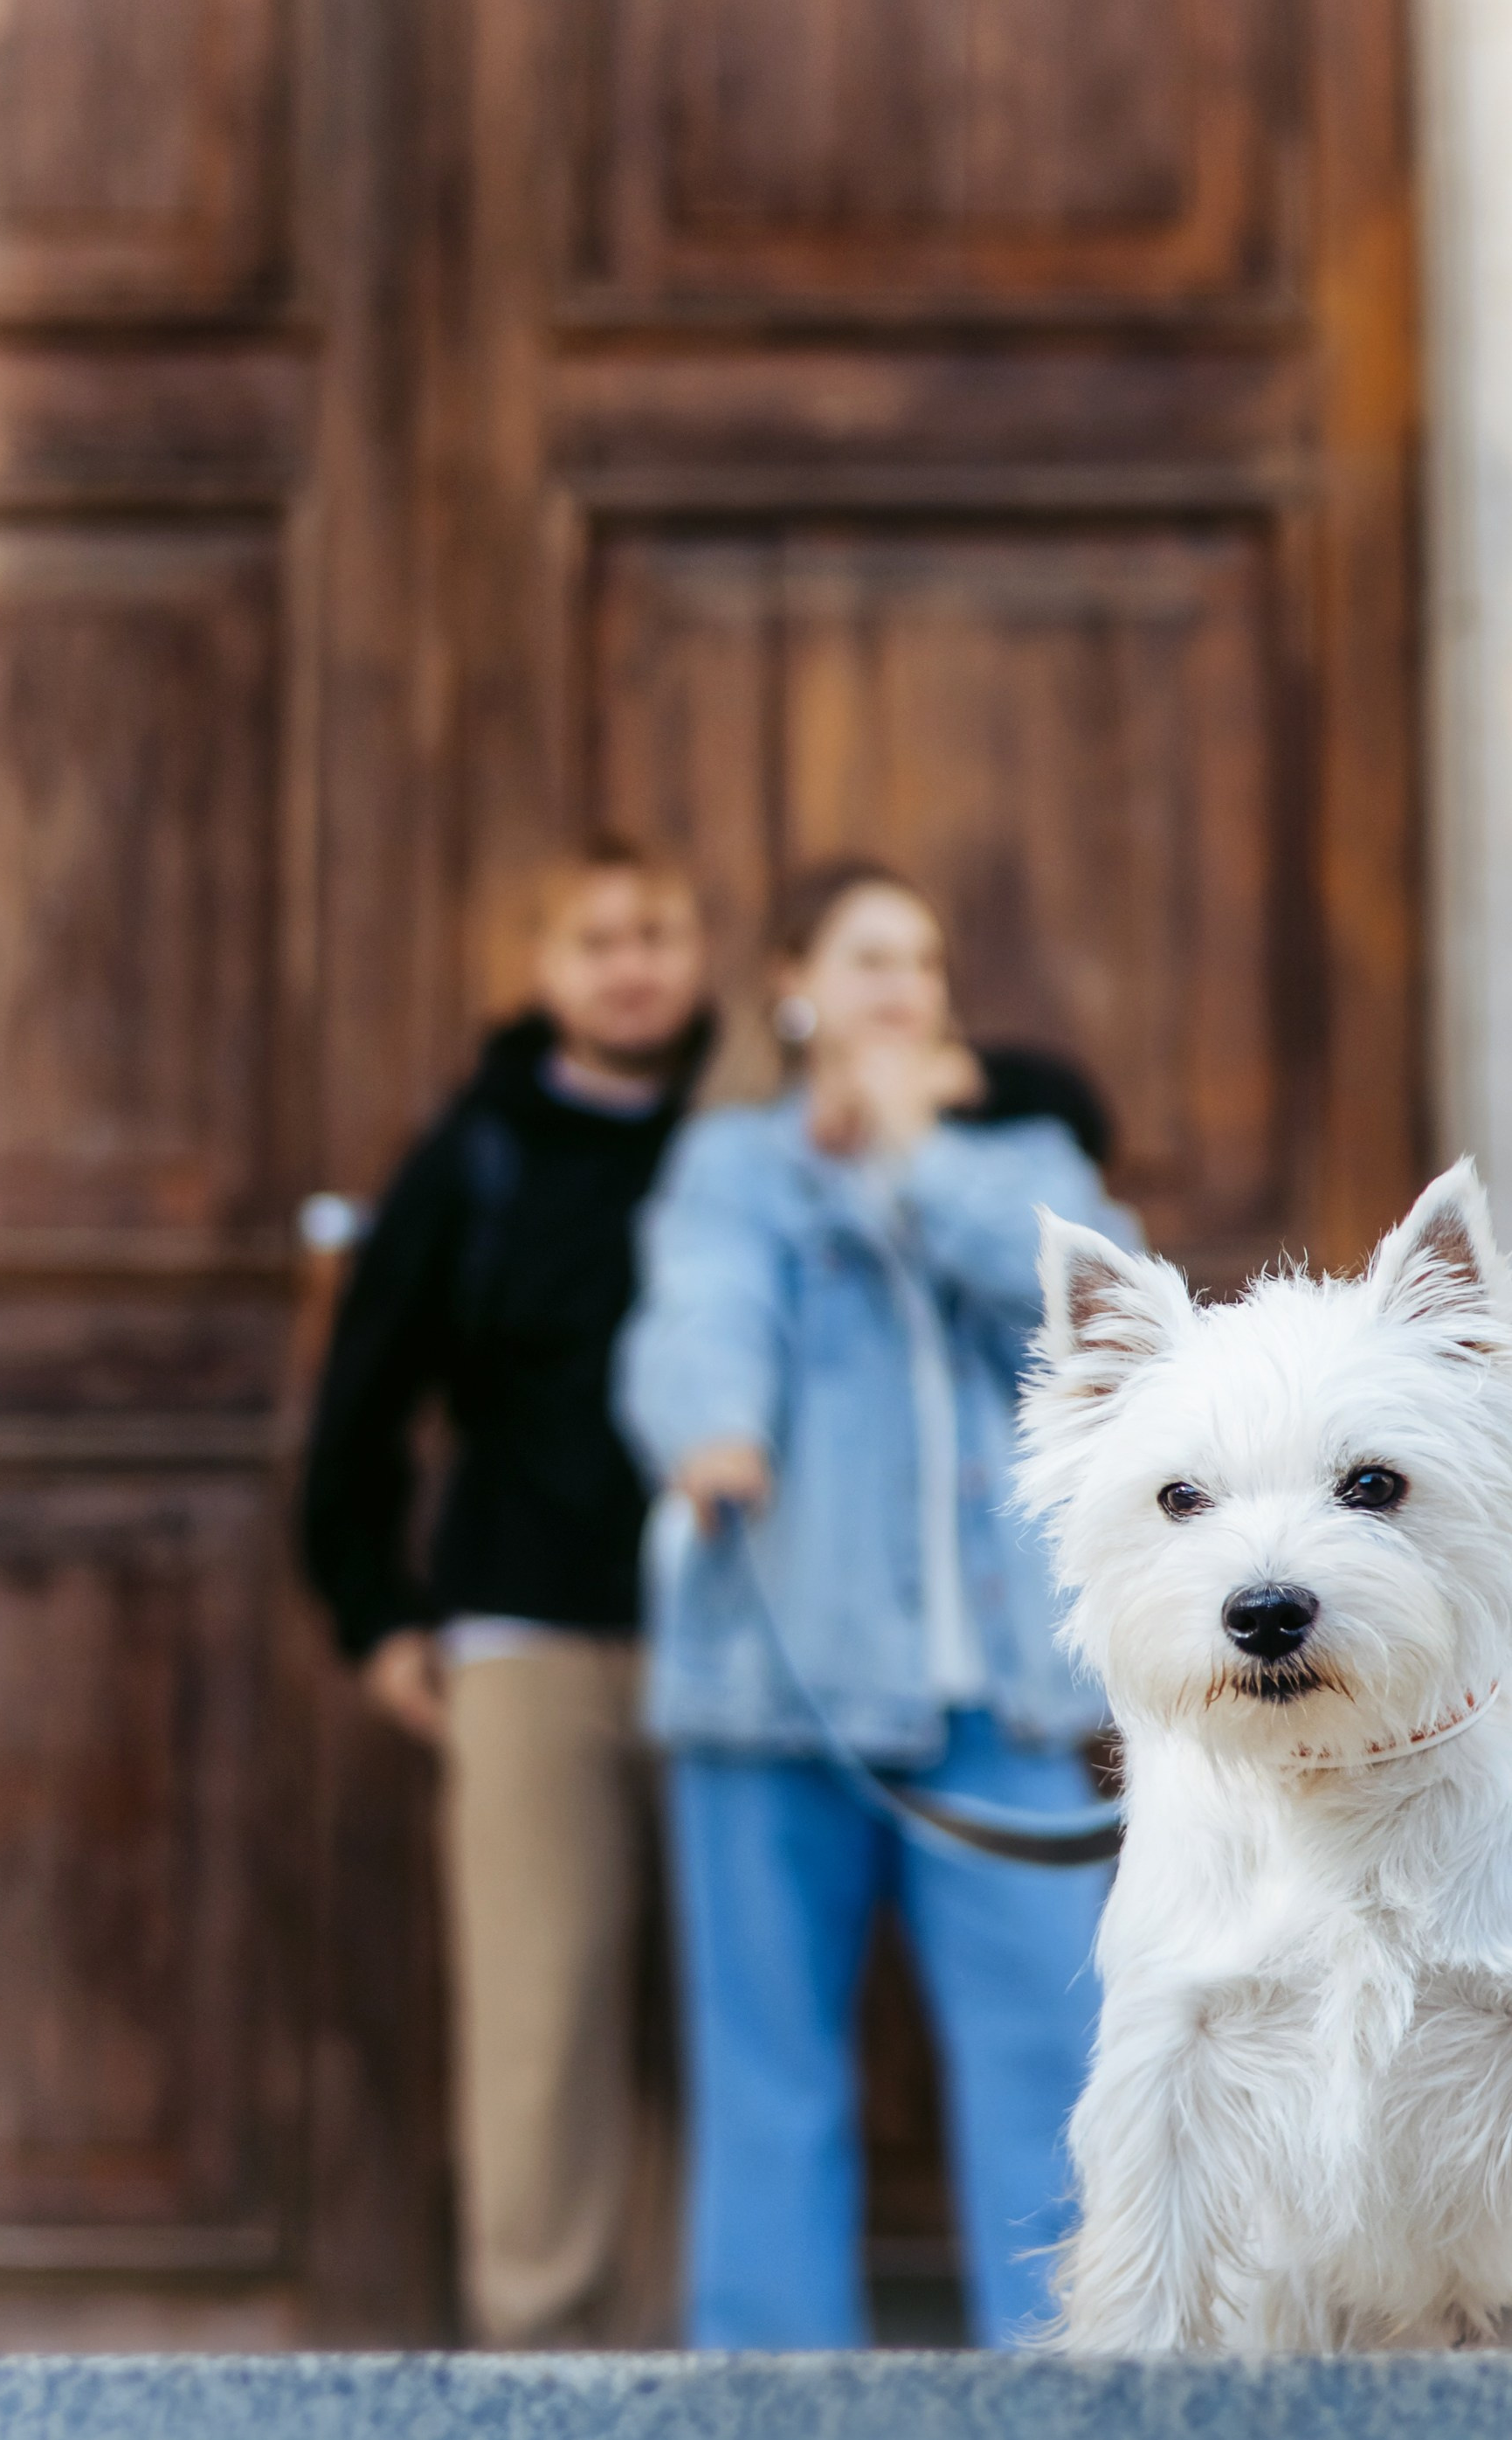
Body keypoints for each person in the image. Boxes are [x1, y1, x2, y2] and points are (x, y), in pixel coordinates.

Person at [615, 859, 1140, 2349]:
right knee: (767, 2069)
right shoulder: (734, 1166)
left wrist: (922, 1150)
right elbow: (696, 1310)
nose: (903, 986)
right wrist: (715, 1425)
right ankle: (775, 2423)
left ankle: (1067, 2399)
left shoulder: (1020, 1159)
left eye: (922, 958)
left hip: (1001, 1705)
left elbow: (1101, 1322)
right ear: (796, 987)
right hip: (772, 1696)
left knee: (1051, 2061)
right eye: (867, 958)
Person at [300, 833, 709, 2347]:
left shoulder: (754, 1136)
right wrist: (376, 1609)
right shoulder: (475, 1155)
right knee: (543, 2023)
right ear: (543, 970)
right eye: (596, 938)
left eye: (659, 930)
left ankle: (698, 2371)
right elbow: (360, 1399)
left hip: (738, 1648)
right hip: (529, 1637)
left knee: (716, 2030)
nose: (632, 964)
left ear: (705, 951)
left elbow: (1032, 1101)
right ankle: (549, 2376)